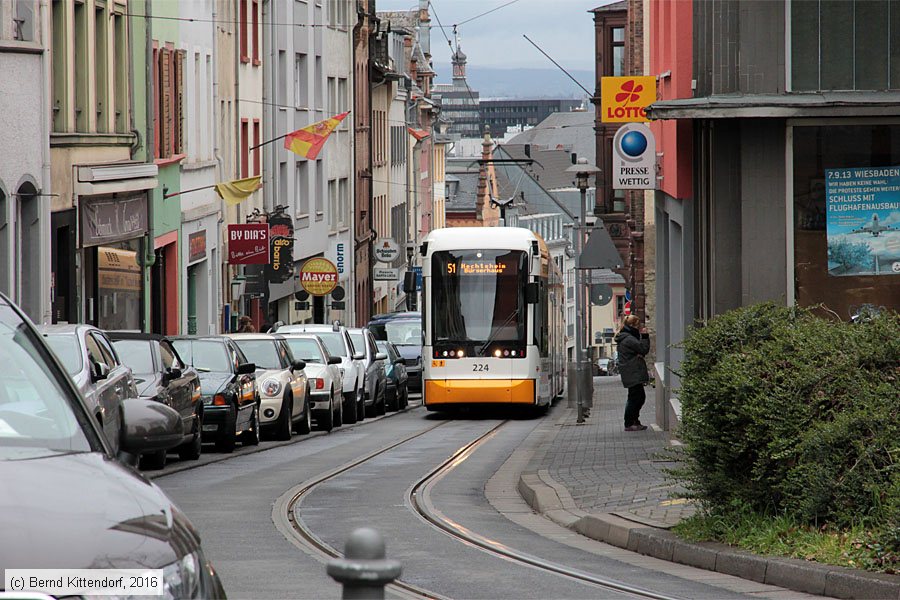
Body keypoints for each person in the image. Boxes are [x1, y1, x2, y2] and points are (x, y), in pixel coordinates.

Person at [614, 314, 650, 431]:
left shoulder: (626, 337)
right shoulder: (629, 339)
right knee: (636, 397)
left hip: (631, 370)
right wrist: (644, 336)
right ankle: (629, 422)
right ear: (633, 325)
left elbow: (640, 351)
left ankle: (634, 420)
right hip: (632, 371)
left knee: (637, 397)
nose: (640, 328)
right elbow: (643, 349)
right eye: (638, 325)